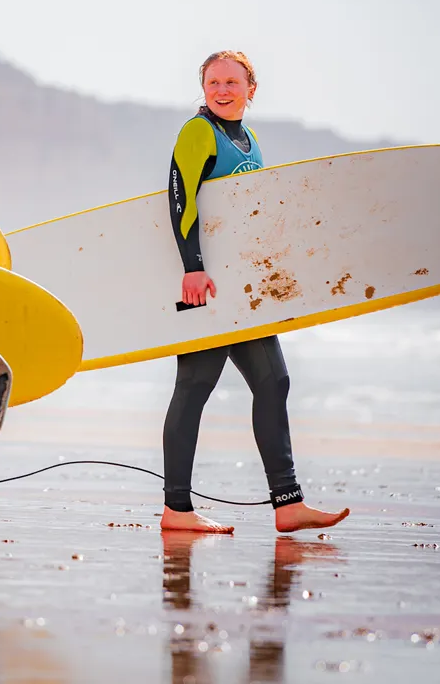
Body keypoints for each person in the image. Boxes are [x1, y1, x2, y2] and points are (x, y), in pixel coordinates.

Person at [162, 50, 350, 534]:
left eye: (231, 82)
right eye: (213, 82)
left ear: (251, 88)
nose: (221, 90)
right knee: (195, 389)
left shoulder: (250, 141)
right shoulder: (197, 131)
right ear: (202, 88)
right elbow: (180, 198)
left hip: (242, 291)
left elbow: (250, 217)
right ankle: (176, 510)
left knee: (274, 383)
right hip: (206, 284)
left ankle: (287, 504)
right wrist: (193, 268)